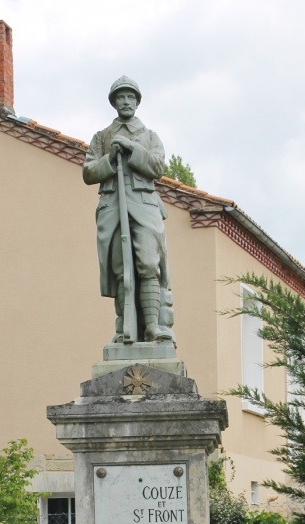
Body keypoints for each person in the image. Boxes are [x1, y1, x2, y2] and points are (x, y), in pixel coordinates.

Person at [83, 76, 175, 344]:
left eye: (130, 97)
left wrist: (132, 148)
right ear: (114, 102)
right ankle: (126, 328)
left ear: (137, 102)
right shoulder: (102, 137)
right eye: (121, 97)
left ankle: (152, 327)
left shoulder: (149, 136)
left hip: (144, 206)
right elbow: (88, 172)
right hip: (113, 206)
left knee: (148, 263)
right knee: (122, 270)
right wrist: (110, 157)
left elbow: (157, 167)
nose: (126, 101)